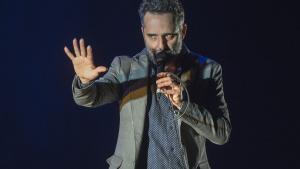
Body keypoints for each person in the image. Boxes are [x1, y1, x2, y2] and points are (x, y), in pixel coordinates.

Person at [64, 0, 231, 168]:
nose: (161, 46)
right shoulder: (126, 68)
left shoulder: (209, 70)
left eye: (169, 36)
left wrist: (183, 105)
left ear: (183, 31)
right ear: (143, 32)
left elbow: (222, 134)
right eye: (152, 36)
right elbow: (92, 97)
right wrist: (85, 81)